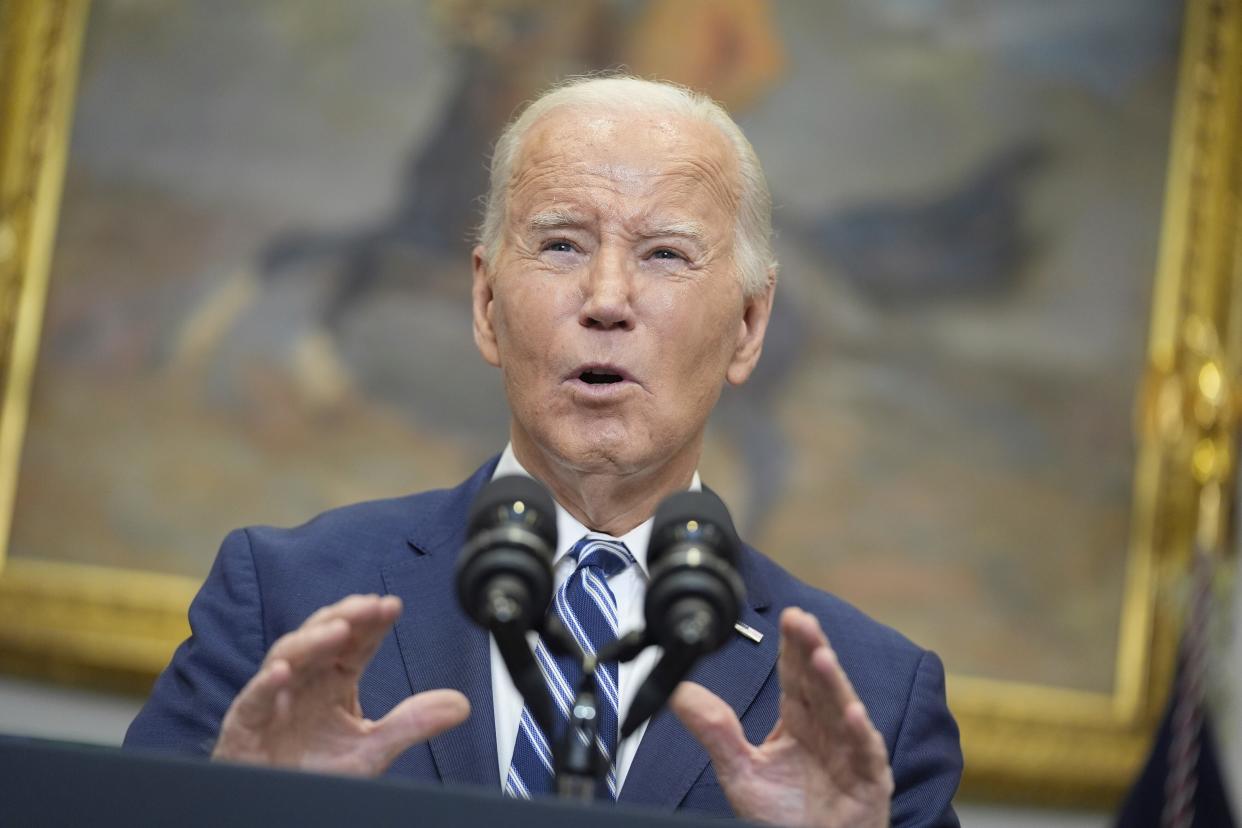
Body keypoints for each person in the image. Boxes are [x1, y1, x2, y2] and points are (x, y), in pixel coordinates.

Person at [125, 76, 962, 827]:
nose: (605, 300)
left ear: (749, 326)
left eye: (665, 254)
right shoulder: (282, 601)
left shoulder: (877, 700)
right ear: (487, 303)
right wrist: (236, 817)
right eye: (561, 244)